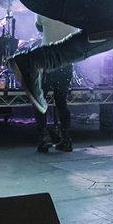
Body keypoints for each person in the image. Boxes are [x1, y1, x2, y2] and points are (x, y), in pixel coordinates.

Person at [34, 14, 76, 153]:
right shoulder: (73, 9)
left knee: (40, 100)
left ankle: (44, 138)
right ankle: (66, 140)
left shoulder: (43, 9)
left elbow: (39, 26)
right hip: (65, 60)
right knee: (61, 101)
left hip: (48, 59)